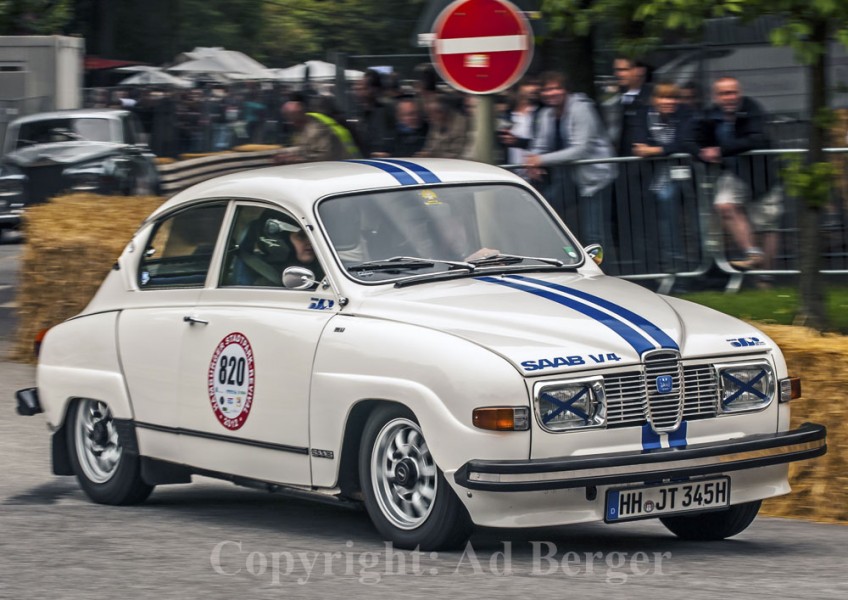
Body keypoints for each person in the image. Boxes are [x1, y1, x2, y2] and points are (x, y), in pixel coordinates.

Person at [695, 76, 782, 272]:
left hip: (763, 173)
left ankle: (765, 280)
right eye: (724, 93)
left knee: (766, 225)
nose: (730, 97)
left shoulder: (751, 108)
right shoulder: (710, 115)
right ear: (715, 96)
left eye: (733, 92)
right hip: (735, 172)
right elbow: (695, 138)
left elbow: (757, 139)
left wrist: (720, 151)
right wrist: (700, 153)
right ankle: (752, 252)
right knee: (725, 205)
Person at [525, 71, 617, 247]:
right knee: (545, 210)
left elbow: (580, 150)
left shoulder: (581, 109)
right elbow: (540, 144)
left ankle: (604, 272)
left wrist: (541, 160)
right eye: (547, 89)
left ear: (566, 90)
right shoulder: (547, 114)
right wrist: (532, 162)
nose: (551, 93)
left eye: (556, 88)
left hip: (594, 177)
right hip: (569, 176)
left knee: (594, 233)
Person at [632, 82, 699, 270]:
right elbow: (638, 143)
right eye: (663, 97)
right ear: (654, 100)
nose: (668, 101)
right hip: (654, 177)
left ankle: (693, 269)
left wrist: (654, 149)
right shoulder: (643, 114)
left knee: (693, 223)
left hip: (687, 175)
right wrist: (660, 150)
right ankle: (672, 267)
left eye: (672, 97)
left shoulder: (685, 113)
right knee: (664, 223)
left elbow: (684, 143)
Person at [275, 93, 360, 164]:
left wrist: (295, 160)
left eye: (291, 119)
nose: (291, 123)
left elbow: (325, 157)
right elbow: (305, 148)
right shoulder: (304, 127)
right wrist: (287, 153)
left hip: (343, 167)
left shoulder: (317, 129)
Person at [605, 56, 652, 156]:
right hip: (622, 160)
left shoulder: (652, 97)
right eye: (616, 70)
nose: (617, 74)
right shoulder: (616, 100)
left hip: (648, 159)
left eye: (623, 70)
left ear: (640, 71)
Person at [415, 92, 469, 159]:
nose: (429, 117)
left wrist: (431, 156)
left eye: (431, 113)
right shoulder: (436, 124)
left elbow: (456, 155)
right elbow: (429, 146)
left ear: (442, 112)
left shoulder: (460, 127)